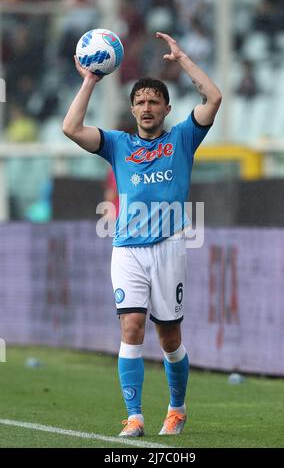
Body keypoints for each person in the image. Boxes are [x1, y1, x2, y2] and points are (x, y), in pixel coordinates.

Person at [63, 31, 222, 437]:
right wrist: (90, 81)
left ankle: (177, 408)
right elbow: (71, 127)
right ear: (132, 109)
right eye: (140, 102)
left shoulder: (183, 138)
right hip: (127, 250)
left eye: (154, 101)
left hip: (169, 249)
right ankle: (134, 416)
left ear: (167, 108)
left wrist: (182, 57)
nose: (146, 107)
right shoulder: (118, 144)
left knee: (169, 338)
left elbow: (214, 98)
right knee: (131, 328)